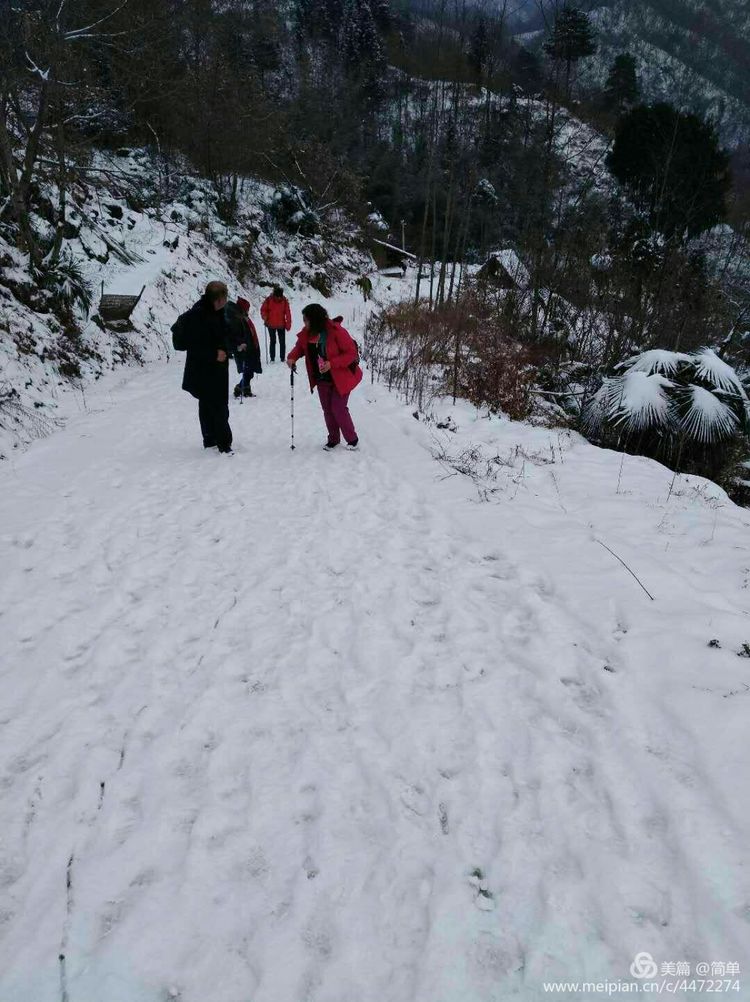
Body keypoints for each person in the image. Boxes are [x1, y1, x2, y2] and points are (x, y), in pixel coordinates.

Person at [286, 304, 362, 451]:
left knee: (338, 407)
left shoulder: (336, 331)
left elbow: (351, 353)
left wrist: (331, 363)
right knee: (327, 409)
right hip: (322, 378)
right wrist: (291, 358)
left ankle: (353, 439)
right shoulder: (307, 333)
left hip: (342, 377)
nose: (304, 323)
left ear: (315, 320)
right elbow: (299, 348)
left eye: (306, 320)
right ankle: (333, 439)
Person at [171, 280, 233, 454]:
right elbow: (195, 345)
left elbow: (220, 334)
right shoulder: (200, 316)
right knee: (218, 405)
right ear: (219, 298)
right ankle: (223, 444)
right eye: (225, 296)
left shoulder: (212, 311)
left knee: (207, 404)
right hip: (207, 369)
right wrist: (216, 354)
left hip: (208, 369)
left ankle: (210, 439)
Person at [226, 296, 262, 397]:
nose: (248, 310)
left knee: (249, 370)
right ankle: (241, 388)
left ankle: (245, 388)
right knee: (248, 370)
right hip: (244, 349)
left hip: (250, 347)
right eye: (247, 308)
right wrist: (240, 344)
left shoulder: (242, 316)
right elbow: (235, 334)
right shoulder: (236, 318)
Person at [260, 285, 292, 362]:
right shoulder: (268, 300)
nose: (279, 298)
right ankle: (272, 358)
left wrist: (288, 323)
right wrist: (264, 316)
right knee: (273, 341)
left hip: (281, 325)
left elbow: (288, 313)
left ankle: (282, 358)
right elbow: (263, 310)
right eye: (277, 297)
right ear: (274, 295)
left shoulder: (284, 301)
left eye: (280, 297)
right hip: (271, 324)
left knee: (282, 342)